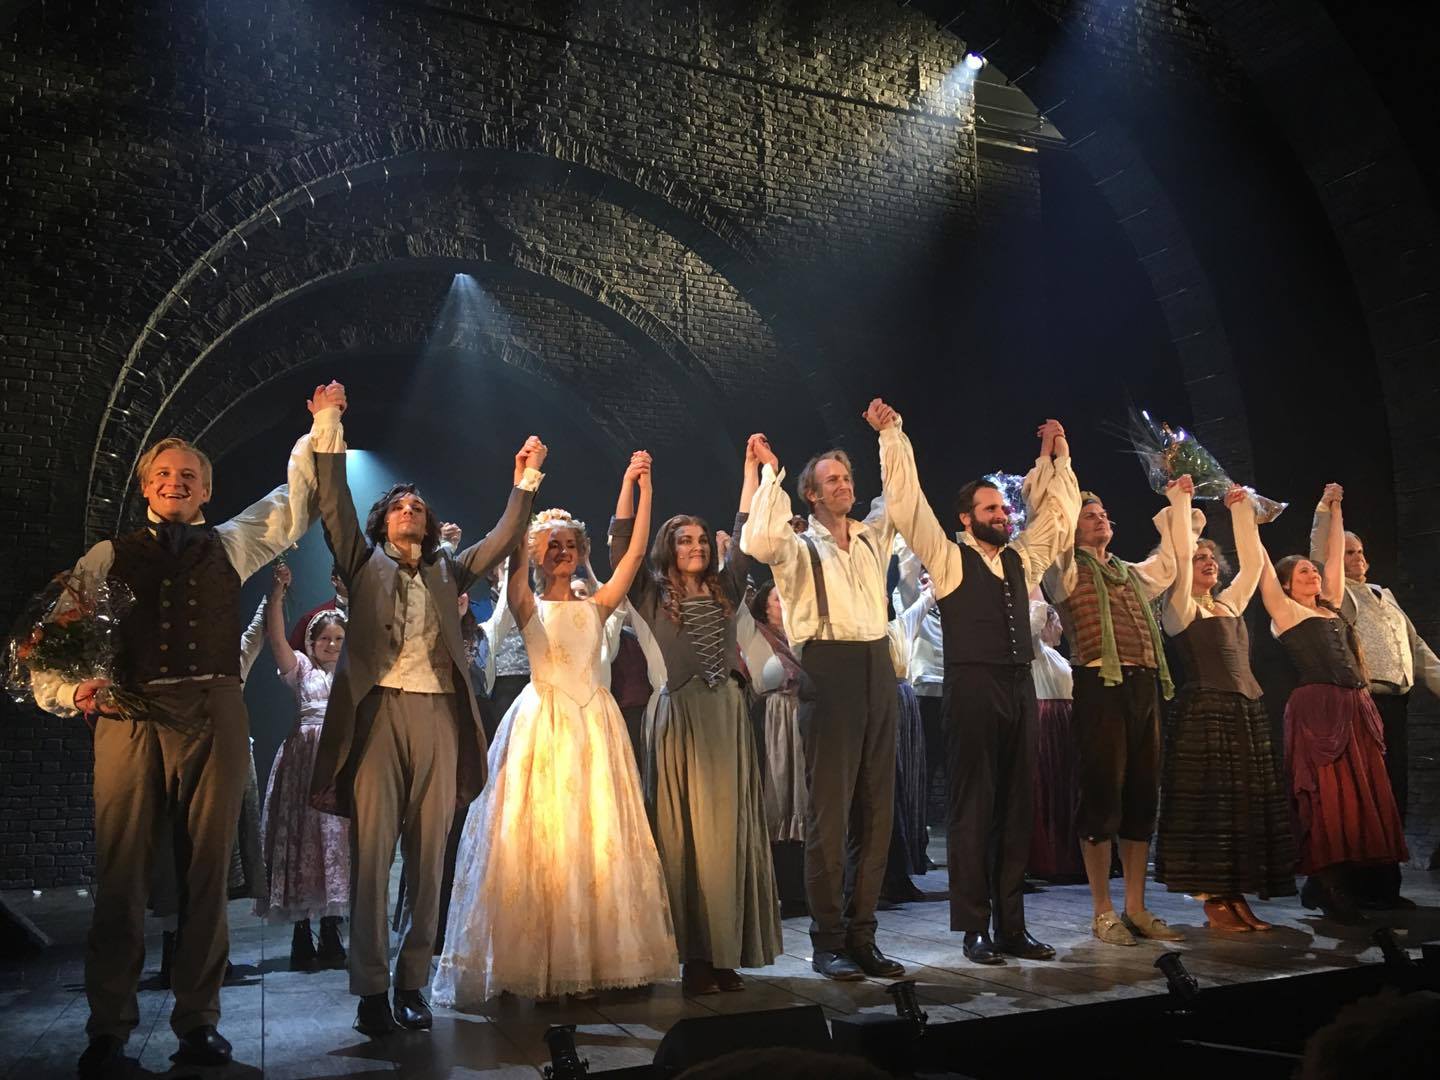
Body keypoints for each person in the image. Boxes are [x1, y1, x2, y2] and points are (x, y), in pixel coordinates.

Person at [30, 428, 319, 1078]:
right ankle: (109, 1031)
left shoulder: (231, 543)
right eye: (164, 473)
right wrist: (71, 689)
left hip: (212, 708)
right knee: (122, 874)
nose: (175, 482)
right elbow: (51, 638)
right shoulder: (108, 556)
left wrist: (322, 426)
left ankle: (198, 1023)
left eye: (189, 474)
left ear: (206, 490)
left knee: (206, 873)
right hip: (129, 712)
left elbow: (296, 504)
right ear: (145, 487)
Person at [304, 380, 545, 1037]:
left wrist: (525, 481)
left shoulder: (447, 570)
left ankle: (411, 983)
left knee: (429, 854)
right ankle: (369, 990)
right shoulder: (362, 562)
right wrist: (329, 422)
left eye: (418, 505)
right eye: (399, 506)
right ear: (383, 522)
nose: (410, 509)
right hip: (377, 715)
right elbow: (332, 502)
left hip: (439, 715)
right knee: (373, 856)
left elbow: (502, 537)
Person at [432, 454, 678, 1004]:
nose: (563, 552)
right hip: (543, 723)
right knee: (545, 838)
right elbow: (512, 550)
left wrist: (640, 487)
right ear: (537, 554)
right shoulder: (526, 602)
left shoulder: (601, 603)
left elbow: (636, 553)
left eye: (571, 545)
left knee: (597, 837)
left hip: (595, 724)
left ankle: (598, 958)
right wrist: (525, 485)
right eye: (553, 546)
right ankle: (542, 963)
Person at [871, 400, 1078, 964]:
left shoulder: (1020, 559)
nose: (1002, 515)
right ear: (966, 518)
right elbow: (908, 504)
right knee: (973, 809)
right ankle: (973, 928)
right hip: (971, 690)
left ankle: (1013, 926)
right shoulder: (948, 557)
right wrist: (893, 436)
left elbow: (1058, 520)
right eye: (990, 509)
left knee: (1016, 807)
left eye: (1003, 508)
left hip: (1018, 687)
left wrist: (1055, 459)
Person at [611, 435, 781, 994]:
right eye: (685, 540)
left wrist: (750, 470)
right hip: (679, 720)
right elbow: (622, 544)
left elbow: (745, 532)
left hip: (726, 718)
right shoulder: (649, 593)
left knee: (727, 835)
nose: (697, 546)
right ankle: (695, 959)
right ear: (668, 547)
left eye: (702, 540)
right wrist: (636, 485)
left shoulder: (727, 588)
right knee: (684, 837)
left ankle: (727, 953)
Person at [739, 432, 906, 982]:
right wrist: (770, 472)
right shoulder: (795, 544)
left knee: (876, 812)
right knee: (830, 814)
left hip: (876, 664)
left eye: (847, 478)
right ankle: (828, 939)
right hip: (829, 667)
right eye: (831, 480)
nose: (843, 485)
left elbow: (901, 496)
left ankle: (863, 935)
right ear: (810, 494)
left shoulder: (871, 536)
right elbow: (757, 540)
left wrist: (891, 436)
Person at [1043, 479, 1187, 946]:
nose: (1101, 519)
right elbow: (1055, 527)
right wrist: (1058, 468)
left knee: (1143, 796)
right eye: (1090, 515)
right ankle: (1102, 910)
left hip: (1143, 685)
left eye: (1104, 514)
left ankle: (1136, 907)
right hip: (1099, 686)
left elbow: (1169, 563)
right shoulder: (1065, 571)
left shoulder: (1129, 574)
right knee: (1102, 795)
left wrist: (1179, 499)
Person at [1259, 483, 1408, 923]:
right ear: (1287, 585)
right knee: (1328, 799)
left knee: (1361, 797)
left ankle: (1352, 886)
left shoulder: (1334, 606)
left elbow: (1334, 557)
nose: (1313, 575)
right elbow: (1260, 565)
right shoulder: (1286, 612)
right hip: (1319, 710)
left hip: (1355, 706)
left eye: (1314, 570)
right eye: (1303, 572)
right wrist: (1246, 519)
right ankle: (1329, 885)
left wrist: (1335, 506)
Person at [1154, 479, 1295, 930]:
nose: (1208, 562)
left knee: (1242, 803)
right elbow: (1179, 557)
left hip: (1243, 713)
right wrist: (1181, 500)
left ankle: (1235, 891)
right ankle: (1212, 894)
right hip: (1204, 714)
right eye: (1200, 558)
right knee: (1211, 804)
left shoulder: (1227, 606)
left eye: (1212, 557)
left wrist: (1241, 511)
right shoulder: (1179, 609)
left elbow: (1252, 567)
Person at [1309, 505, 1440, 908]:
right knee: (1365, 797)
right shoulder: (1337, 595)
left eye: (1360, 551)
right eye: (1348, 552)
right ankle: (1349, 886)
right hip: (1363, 704)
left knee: (1393, 794)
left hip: (1397, 705)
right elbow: (1320, 556)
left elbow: (1416, 648)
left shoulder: (1386, 595)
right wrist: (1328, 512)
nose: (1358, 559)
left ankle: (1385, 887)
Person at [255, 562, 351, 968]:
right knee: (301, 843)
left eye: (339, 638)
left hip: (337, 764)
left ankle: (331, 930)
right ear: (311, 642)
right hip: (303, 765)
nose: (331, 644)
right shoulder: (301, 669)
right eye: (324, 638)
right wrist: (277, 596)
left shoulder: (351, 675)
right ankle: (301, 934)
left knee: (334, 845)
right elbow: (276, 637)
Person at [740, 579, 810, 916]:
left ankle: (808, 888)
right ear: (765, 606)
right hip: (773, 718)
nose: (785, 602)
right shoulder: (757, 634)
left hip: (803, 715)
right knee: (780, 797)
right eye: (778, 598)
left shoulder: (802, 634)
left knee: (804, 798)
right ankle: (787, 890)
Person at [1025, 595, 1084, 882]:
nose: (1061, 628)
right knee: (1047, 786)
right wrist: (1039, 596)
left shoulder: (1057, 655)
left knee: (1064, 788)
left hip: (1064, 722)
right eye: (1057, 622)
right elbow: (1032, 623)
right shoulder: (1037, 651)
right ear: (1047, 625)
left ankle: (1065, 855)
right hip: (1048, 721)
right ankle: (1047, 857)